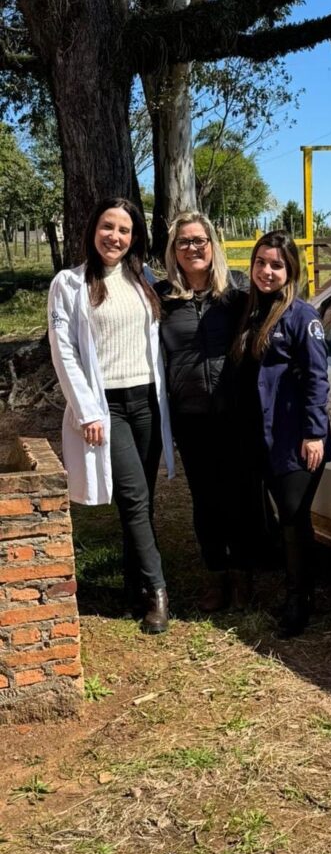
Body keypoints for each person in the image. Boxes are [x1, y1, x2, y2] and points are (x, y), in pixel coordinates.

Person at [48, 198, 175, 634]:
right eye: (108, 227)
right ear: (93, 229)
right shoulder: (69, 284)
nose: (115, 237)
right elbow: (64, 352)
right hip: (109, 406)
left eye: (124, 230)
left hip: (147, 402)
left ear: (134, 237)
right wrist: (86, 410)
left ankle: (131, 586)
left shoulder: (146, 281)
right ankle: (158, 591)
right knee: (135, 497)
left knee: (139, 498)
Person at [231, 231, 331, 638]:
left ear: (291, 270)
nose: (267, 271)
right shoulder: (252, 311)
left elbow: (316, 379)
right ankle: (291, 585)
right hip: (262, 434)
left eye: (276, 265)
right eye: (261, 263)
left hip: (296, 438)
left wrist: (314, 433)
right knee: (278, 517)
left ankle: (300, 600)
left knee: (294, 519)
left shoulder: (302, 317)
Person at [155, 211, 252, 612]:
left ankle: (244, 575)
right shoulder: (160, 297)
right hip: (190, 416)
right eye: (183, 242)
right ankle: (216, 575)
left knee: (240, 495)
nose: (192, 248)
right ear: (173, 252)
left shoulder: (238, 292)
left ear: (213, 246)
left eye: (199, 241)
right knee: (205, 498)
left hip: (236, 413)